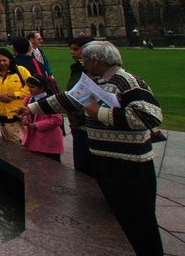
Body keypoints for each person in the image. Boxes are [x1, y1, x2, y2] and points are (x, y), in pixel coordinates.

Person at [16, 40, 163, 255]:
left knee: (139, 218)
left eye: (85, 60)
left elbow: (150, 116)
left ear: (96, 60)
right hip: (104, 159)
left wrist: (99, 113)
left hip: (130, 163)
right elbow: (67, 100)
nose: (82, 63)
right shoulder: (95, 81)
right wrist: (30, 108)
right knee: (113, 216)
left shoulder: (126, 81)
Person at [0, 48, 30, 143]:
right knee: (9, 143)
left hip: (19, 113)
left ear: (10, 59)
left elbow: (30, 88)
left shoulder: (20, 71)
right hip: (2, 115)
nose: (2, 63)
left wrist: (14, 95)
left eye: (4, 60)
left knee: (22, 142)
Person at [66, 36, 95, 176]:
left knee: (90, 169)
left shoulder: (93, 71)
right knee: (82, 169)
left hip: (90, 126)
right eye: (70, 49)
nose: (71, 52)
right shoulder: (78, 69)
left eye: (75, 49)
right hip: (78, 124)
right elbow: (70, 96)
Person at [20, 75, 64, 161]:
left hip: (49, 140)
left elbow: (57, 120)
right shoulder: (29, 99)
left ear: (42, 88)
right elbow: (26, 114)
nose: (29, 89)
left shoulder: (50, 101)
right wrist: (25, 119)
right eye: (28, 86)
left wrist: (36, 125)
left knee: (51, 167)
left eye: (32, 87)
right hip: (34, 139)